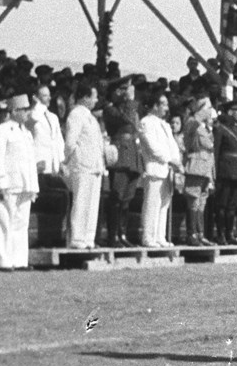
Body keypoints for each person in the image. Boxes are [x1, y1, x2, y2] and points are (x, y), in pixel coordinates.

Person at [0, 93, 39, 271]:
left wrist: (33, 186)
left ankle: (19, 261)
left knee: (21, 224)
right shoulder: (2, 130)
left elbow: (30, 161)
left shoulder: (26, 133)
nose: (27, 113)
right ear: (14, 111)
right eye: (24, 110)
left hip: (24, 184)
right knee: (5, 223)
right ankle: (4, 261)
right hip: (9, 184)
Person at [63, 85, 105, 249]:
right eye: (94, 96)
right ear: (85, 97)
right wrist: (71, 160)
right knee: (81, 202)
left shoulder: (90, 117)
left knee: (92, 205)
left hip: (94, 166)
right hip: (82, 165)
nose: (96, 100)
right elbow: (70, 142)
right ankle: (77, 238)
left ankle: (88, 238)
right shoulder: (76, 114)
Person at [103, 82, 144, 247]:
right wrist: (130, 100)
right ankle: (112, 236)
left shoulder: (129, 108)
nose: (125, 93)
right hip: (121, 154)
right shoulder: (111, 109)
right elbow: (125, 119)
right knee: (117, 197)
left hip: (132, 153)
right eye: (121, 90)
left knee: (127, 198)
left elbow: (135, 126)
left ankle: (122, 234)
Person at [139, 92, 182, 247]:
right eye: (163, 104)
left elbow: (173, 145)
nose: (166, 108)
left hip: (167, 169)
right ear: (155, 105)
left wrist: (176, 160)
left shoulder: (165, 124)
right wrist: (169, 159)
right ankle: (148, 237)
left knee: (164, 205)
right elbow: (152, 147)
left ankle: (160, 236)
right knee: (152, 204)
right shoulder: (146, 122)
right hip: (155, 168)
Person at [183, 96, 216, 246]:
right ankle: (191, 234)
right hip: (195, 166)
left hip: (206, 168)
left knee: (202, 202)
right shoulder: (192, 122)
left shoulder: (205, 127)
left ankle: (200, 233)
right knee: (193, 201)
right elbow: (189, 134)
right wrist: (200, 114)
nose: (210, 111)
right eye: (208, 107)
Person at [213, 100, 237, 245]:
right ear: (230, 112)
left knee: (232, 206)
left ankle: (229, 234)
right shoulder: (221, 129)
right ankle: (221, 234)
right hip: (225, 171)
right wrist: (214, 173)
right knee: (222, 204)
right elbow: (216, 152)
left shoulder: (236, 129)